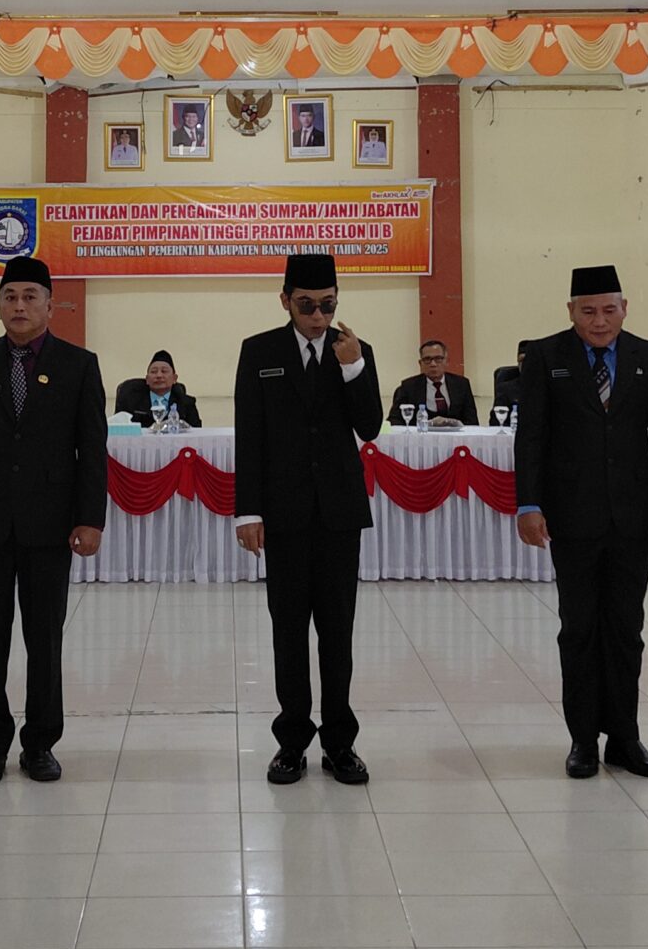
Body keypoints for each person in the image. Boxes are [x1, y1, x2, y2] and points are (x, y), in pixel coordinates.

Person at [0, 258, 108, 784]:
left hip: (49, 525)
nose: (20, 306)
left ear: (50, 305)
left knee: (44, 639)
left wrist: (90, 518)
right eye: (10, 296)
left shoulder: (79, 365)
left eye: (31, 296)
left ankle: (41, 744)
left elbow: (91, 450)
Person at [514, 267, 648, 779]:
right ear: (571, 312)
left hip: (633, 518)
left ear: (625, 308)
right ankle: (583, 739)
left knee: (627, 630)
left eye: (609, 310)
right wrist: (529, 504)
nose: (599, 321)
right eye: (588, 311)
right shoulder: (545, 356)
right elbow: (531, 437)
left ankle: (625, 738)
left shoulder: (647, 356)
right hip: (572, 517)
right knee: (580, 629)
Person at [234, 253, 382, 786]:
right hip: (284, 514)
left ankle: (340, 743)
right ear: (285, 301)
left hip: (339, 513)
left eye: (327, 305)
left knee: (338, 631)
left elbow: (370, 427)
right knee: (290, 631)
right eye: (307, 306)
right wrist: (248, 511)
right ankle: (292, 741)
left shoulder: (354, 350)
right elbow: (249, 433)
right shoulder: (260, 351)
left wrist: (353, 368)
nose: (318, 316)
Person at [387, 339, 479, 426]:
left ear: (446, 361)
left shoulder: (461, 385)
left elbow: (472, 421)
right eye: (427, 359)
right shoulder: (408, 387)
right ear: (420, 364)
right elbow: (394, 420)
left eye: (438, 359)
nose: (433, 364)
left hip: (455, 436)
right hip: (420, 435)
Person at [114, 350, 201, 428]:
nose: (159, 375)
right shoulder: (130, 401)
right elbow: (118, 428)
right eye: (154, 372)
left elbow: (196, 432)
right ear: (147, 379)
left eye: (164, 371)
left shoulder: (186, 403)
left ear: (174, 378)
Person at [490, 339, 538, 417]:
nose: (525, 365)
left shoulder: (547, 388)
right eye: (521, 360)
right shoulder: (505, 390)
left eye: (528, 360)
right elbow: (496, 421)